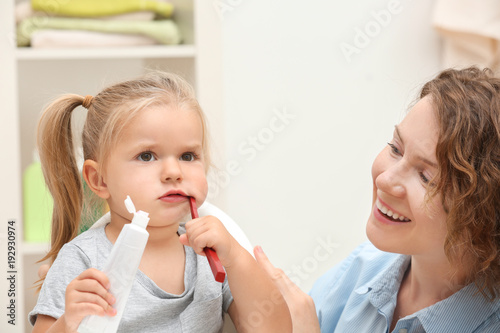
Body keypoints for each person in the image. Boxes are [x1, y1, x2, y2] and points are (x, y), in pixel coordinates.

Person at [30, 71, 292, 333]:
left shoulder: (212, 256)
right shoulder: (82, 259)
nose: (174, 171)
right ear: (99, 180)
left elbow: (276, 329)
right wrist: (69, 322)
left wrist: (235, 257)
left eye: (188, 156)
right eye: (146, 156)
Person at [254, 66, 500, 332]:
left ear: (482, 213)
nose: (384, 180)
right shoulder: (360, 269)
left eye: (426, 177)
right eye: (396, 148)